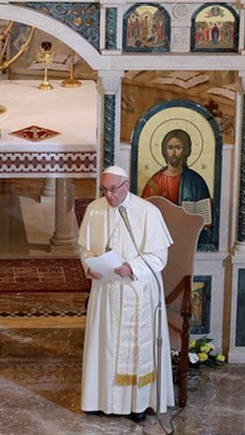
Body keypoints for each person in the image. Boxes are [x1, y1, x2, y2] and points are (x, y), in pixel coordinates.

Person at [78, 165, 175, 423]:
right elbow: (85, 249)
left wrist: (132, 267)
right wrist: (89, 266)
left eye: (113, 190)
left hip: (138, 291)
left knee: (136, 349)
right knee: (106, 345)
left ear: (126, 186)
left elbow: (159, 256)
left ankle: (138, 403)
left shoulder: (147, 212)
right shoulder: (95, 210)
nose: (108, 196)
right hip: (106, 291)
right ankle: (101, 399)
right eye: (104, 190)